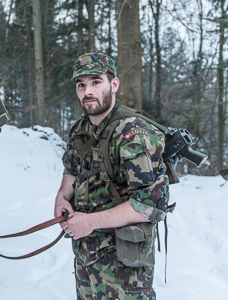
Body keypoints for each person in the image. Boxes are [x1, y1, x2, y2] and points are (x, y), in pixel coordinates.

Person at [54, 53, 170, 300]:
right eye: (81, 84)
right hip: (87, 257)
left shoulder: (134, 134)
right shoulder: (80, 129)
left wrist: (90, 222)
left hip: (124, 268)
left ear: (114, 85)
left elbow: (149, 205)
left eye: (96, 82)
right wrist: (62, 197)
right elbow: (72, 169)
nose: (88, 91)